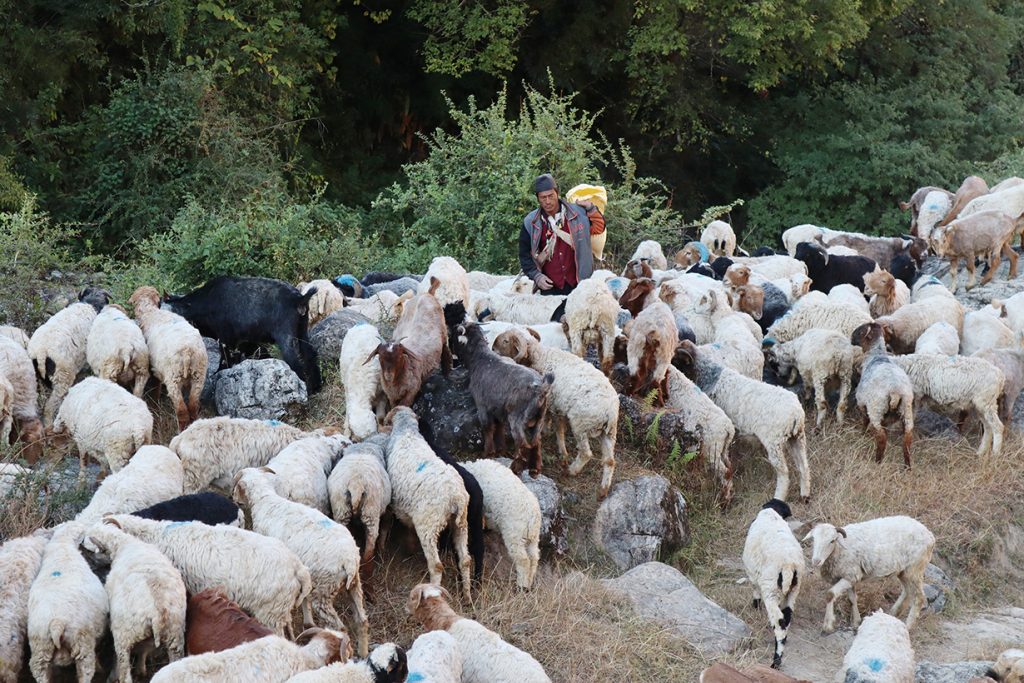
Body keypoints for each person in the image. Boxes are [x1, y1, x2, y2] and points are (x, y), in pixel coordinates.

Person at [519, 173, 606, 296]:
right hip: (549, 289)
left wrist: (591, 208)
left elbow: (598, 229)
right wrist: (537, 276)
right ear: (537, 198)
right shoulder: (531, 222)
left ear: (557, 193)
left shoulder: (578, 214)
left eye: (551, 196)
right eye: (543, 198)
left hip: (579, 285)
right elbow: (524, 255)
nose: (548, 201)